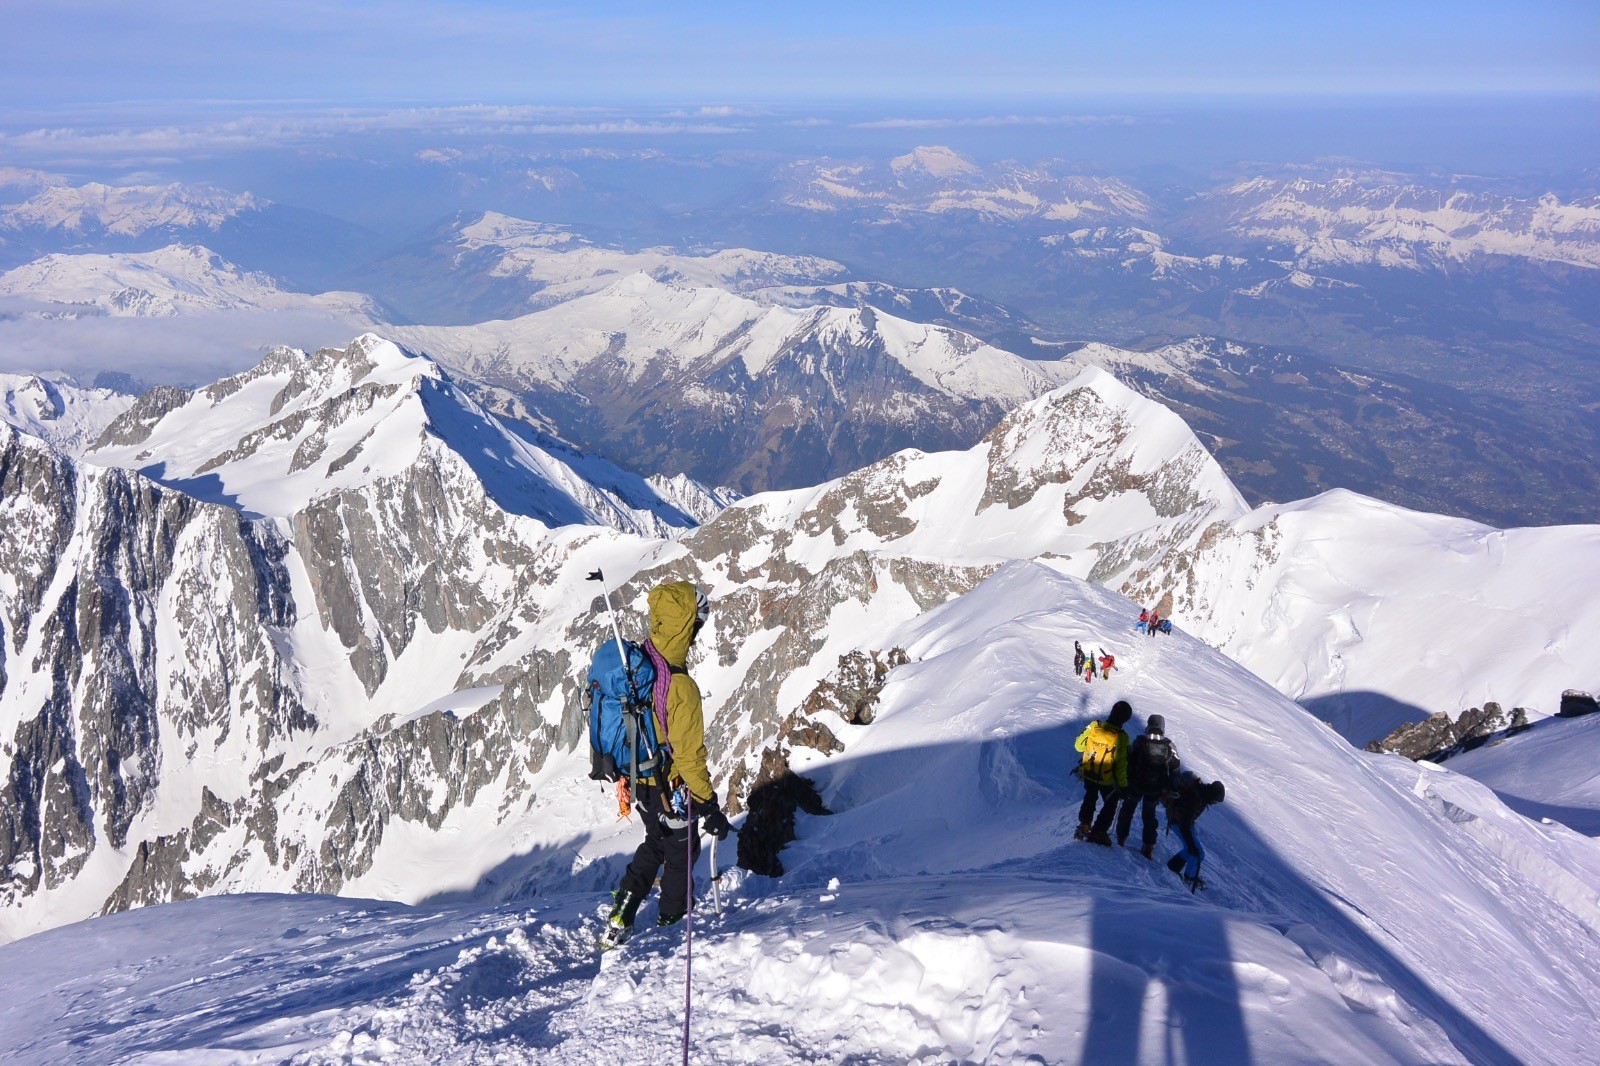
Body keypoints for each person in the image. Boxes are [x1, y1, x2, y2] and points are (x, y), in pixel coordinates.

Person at [602, 581, 733, 947]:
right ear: (688, 624)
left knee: (657, 842)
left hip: (637, 780)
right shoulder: (680, 685)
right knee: (682, 849)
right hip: (669, 787)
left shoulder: (639, 661)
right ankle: (673, 922)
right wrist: (708, 804)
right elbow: (689, 756)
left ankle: (625, 905)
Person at [1116, 714, 1181, 858]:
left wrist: (1124, 782)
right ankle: (1148, 846)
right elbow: (1175, 769)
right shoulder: (1169, 746)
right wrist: (1173, 789)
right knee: (1149, 815)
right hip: (1156, 788)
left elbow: (1129, 762)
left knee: (1127, 810)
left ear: (1149, 724)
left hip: (1135, 785)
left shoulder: (1139, 741)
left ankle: (1120, 839)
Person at [1074, 700, 1132, 846]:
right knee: (1111, 804)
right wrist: (1123, 786)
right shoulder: (1122, 737)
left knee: (1090, 797)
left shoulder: (1095, 726)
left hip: (1089, 773)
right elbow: (1120, 766)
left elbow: (1079, 746)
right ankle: (1098, 832)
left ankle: (1084, 824)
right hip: (1107, 779)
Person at [1164, 771, 1226, 890]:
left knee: (1191, 849)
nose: (1213, 804)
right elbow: (1184, 825)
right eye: (1215, 801)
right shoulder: (1195, 797)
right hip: (1178, 822)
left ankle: (1173, 867)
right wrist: (1191, 844)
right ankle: (1190, 878)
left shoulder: (1201, 794)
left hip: (1181, 822)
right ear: (1212, 795)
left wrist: (1191, 845)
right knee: (1198, 852)